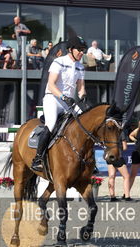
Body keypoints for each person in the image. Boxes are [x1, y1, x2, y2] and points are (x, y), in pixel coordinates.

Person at [31, 36, 87, 171]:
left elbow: (81, 87)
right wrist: (63, 96)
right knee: (50, 125)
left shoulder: (80, 67)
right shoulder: (58, 62)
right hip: (53, 99)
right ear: (71, 49)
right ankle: (38, 158)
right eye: (79, 50)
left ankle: (88, 161)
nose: (81, 53)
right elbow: (51, 85)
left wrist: (82, 95)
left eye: (83, 50)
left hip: (69, 102)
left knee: (85, 125)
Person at [107, 131, 132, 202]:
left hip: (108, 155)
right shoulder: (120, 132)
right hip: (117, 156)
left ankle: (112, 196)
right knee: (126, 176)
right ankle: (127, 196)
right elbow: (124, 147)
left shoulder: (107, 131)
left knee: (111, 176)